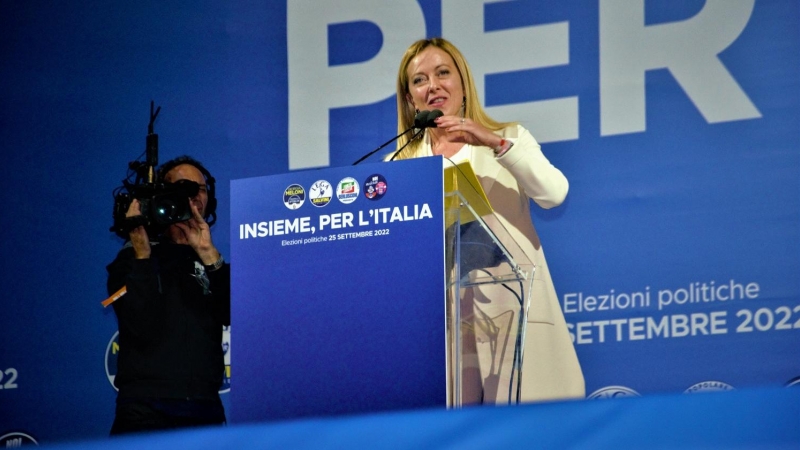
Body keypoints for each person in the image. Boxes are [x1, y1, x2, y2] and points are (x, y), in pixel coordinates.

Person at [392, 38, 584, 404]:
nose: (432, 85)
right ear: (409, 98)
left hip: (512, 317)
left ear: (463, 84)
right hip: (445, 335)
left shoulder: (509, 139)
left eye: (443, 73)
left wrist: (494, 144)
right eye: (419, 80)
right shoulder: (398, 169)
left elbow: (554, 193)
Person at [106, 155, 230, 435]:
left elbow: (235, 312)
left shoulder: (212, 261)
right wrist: (142, 255)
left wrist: (209, 254)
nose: (194, 196)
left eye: (200, 189)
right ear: (163, 195)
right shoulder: (131, 258)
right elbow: (140, 323)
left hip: (205, 408)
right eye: (183, 187)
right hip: (146, 410)